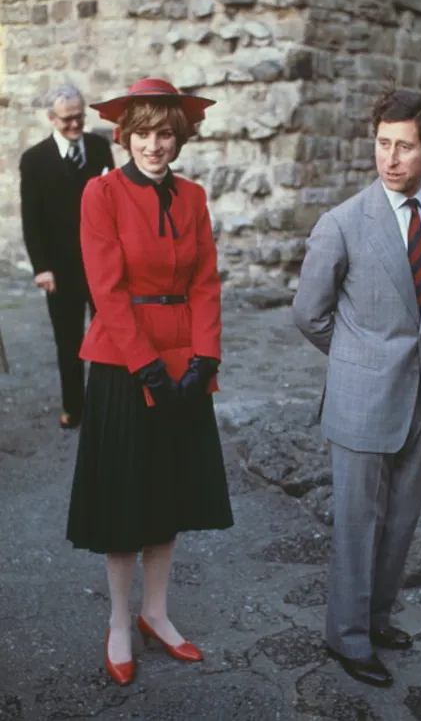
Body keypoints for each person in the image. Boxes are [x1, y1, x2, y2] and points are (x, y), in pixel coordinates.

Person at [65, 78, 233, 686]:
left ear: (179, 138)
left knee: (169, 492)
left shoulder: (192, 196)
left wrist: (205, 358)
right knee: (126, 498)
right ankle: (119, 621)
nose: (153, 145)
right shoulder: (102, 192)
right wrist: (145, 365)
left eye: (165, 133)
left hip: (184, 359)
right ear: (124, 135)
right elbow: (106, 289)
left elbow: (206, 281)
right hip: (124, 360)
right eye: (142, 133)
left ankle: (155, 613)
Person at [292, 88, 421, 688]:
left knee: (402, 521)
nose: (390, 158)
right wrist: (357, 361)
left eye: (405, 147)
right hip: (362, 398)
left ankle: (377, 618)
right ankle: (347, 637)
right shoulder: (341, 223)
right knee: (358, 524)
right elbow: (308, 313)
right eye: (383, 144)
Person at [20, 83, 115, 429]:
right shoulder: (34, 160)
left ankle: (110, 403)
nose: (75, 124)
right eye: (66, 119)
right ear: (51, 118)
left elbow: (113, 201)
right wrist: (41, 268)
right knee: (69, 340)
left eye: (79, 117)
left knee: (110, 334)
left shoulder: (99, 148)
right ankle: (74, 407)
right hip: (60, 268)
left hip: (101, 262)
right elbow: (32, 218)